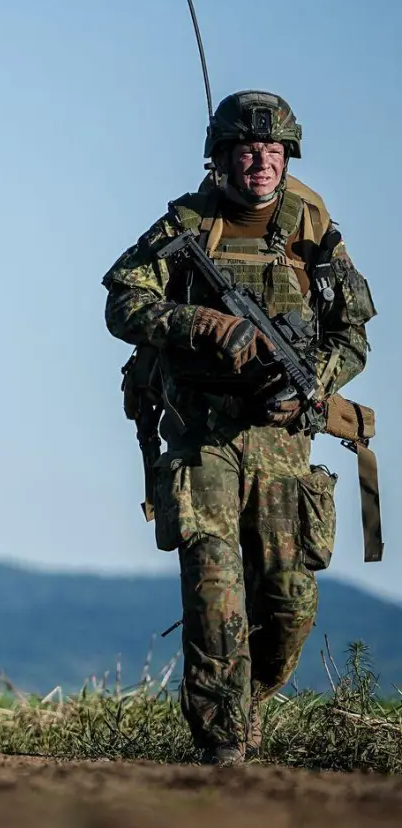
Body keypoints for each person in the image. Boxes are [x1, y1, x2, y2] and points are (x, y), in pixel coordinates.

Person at [102, 91, 375, 764]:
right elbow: (123, 301)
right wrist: (202, 323)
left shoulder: (315, 233)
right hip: (204, 440)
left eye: (274, 151)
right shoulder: (186, 227)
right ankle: (222, 745)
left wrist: (313, 384)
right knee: (214, 587)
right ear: (220, 157)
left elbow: (354, 336)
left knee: (288, 608)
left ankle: (242, 702)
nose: (262, 162)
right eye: (248, 151)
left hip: (285, 445)